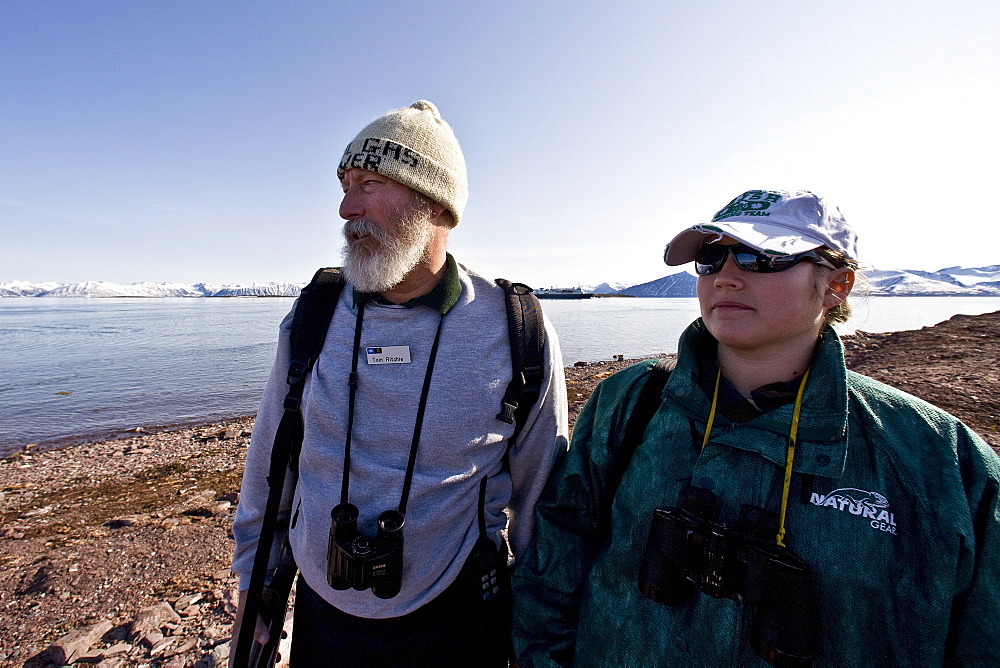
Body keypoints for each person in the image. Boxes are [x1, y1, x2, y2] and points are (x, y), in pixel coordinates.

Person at [511, 189, 1000, 666]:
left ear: (837, 285)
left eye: (760, 258)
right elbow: (555, 562)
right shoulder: (628, 403)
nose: (725, 277)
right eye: (711, 259)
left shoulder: (937, 459)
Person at [231, 100, 568, 665]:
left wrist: (540, 633)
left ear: (434, 202)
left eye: (369, 183)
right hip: (322, 613)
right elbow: (273, 461)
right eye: (344, 185)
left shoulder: (515, 330)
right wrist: (253, 582)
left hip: (458, 619)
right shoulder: (314, 316)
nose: (345, 208)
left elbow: (540, 500)